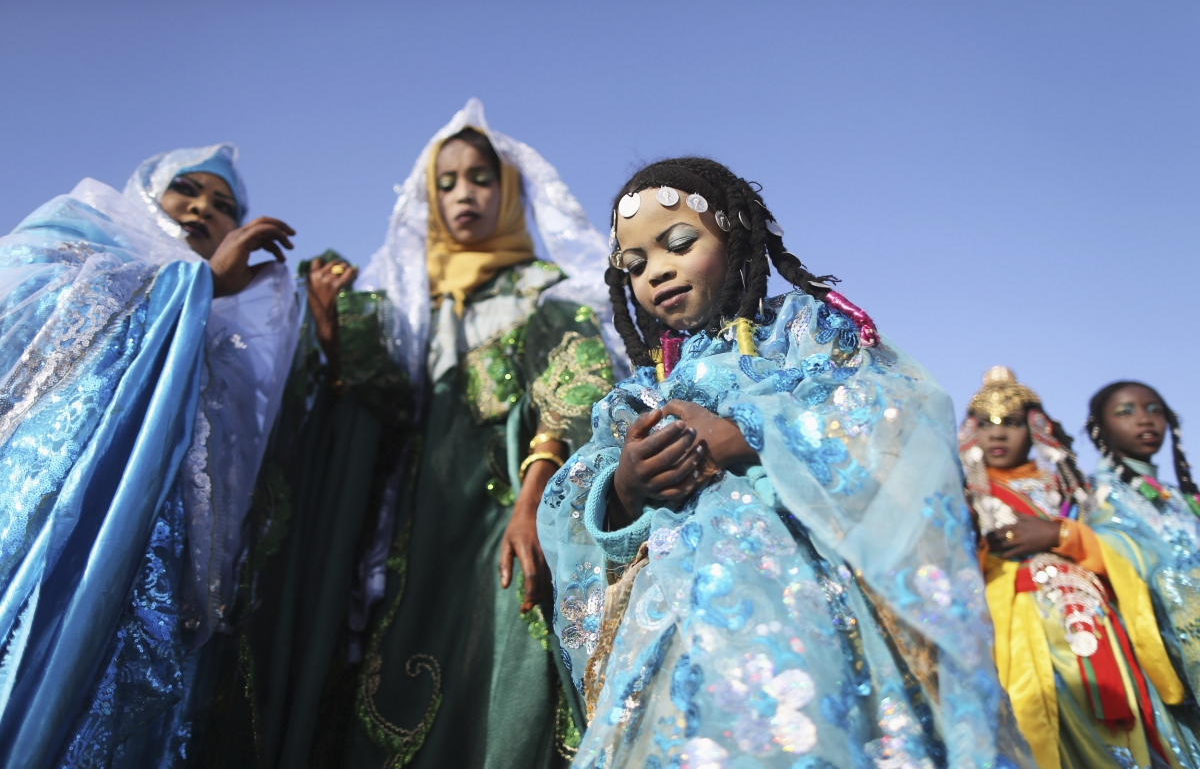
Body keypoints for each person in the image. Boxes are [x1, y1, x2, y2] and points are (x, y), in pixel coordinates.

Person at [537, 157, 1031, 768]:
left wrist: (745, 434)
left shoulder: (805, 331)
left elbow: (898, 414)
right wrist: (626, 486)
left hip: (812, 601)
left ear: (737, 233)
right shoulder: (636, 394)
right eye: (634, 266)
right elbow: (573, 502)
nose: (657, 270)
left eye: (680, 243)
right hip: (671, 619)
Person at [342, 99, 621, 769]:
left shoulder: (542, 291)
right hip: (424, 524)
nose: (463, 194)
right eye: (446, 183)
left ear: (511, 191)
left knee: (505, 661)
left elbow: (573, 390)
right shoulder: (415, 307)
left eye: (480, 178)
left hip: (503, 517)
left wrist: (532, 503)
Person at [0, 144, 299, 766]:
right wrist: (197, 285)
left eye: (223, 207)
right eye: (184, 190)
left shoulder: (226, 339)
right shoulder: (75, 239)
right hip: (40, 534)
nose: (202, 209)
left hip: (146, 577)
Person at [188, 247, 411, 768]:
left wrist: (335, 336)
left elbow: (389, 405)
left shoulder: (369, 319)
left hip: (301, 519)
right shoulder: (257, 308)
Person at [960, 367, 1194, 769]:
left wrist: (1062, 536)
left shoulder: (1072, 489)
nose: (998, 434)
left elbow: (1115, 552)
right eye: (986, 424)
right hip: (1014, 624)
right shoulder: (964, 493)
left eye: (1012, 423)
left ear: (1035, 428)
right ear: (970, 431)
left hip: (1098, 623)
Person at [1086, 382, 1200, 721]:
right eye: (1125, 412)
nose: (1145, 420)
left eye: (1155, 410)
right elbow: (1109, 553)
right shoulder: (1090, 494)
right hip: (1149, 651)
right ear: (1099, 428)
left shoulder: (1182, 499)